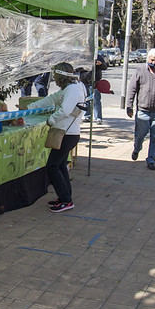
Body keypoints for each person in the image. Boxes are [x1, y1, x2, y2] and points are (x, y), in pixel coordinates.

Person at [30, 62, 87, 212]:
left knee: (52, 166)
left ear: (61, 76)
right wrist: (30, 108)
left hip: (67, 134)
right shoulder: (69, 89)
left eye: (55, 75)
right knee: (60, 165)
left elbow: (64, 110)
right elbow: (50, 99)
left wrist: (51, 120)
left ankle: (66, 200)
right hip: (67, 133)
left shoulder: (73, 90)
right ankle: (65, 197)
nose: (54, 78)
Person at [126, 48, 155, 170]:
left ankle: (151, 159)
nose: (153, 63)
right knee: (140, 135)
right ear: (148, 59)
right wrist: (129, 106)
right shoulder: (140, 71)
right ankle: (137, 149)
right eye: (151, 60)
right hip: (143, 111)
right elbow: (132, 89)